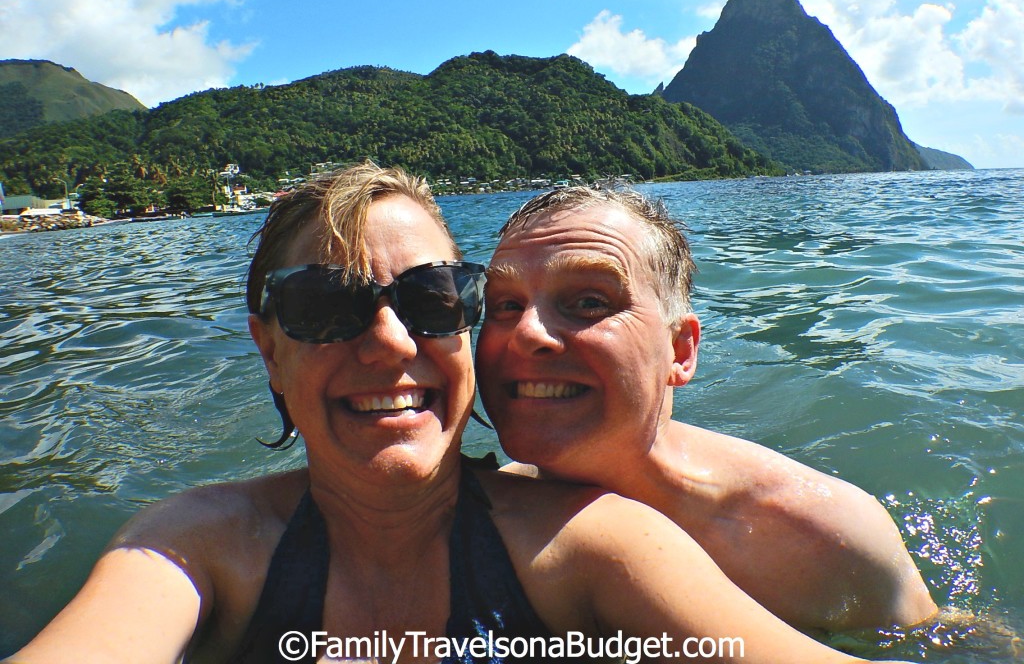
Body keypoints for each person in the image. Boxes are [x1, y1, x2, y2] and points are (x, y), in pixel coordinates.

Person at [8, 163, 913, 664]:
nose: (393, 344)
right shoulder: (194, 546)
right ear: (268, 348)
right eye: (325, 306)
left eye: (434, 298)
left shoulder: (594, 541)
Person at [476, 185, 939, 634]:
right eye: (505, 305)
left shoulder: (825, 541)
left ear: (680, 352)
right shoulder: (474, 518)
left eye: (590, 303)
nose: (528, 332)